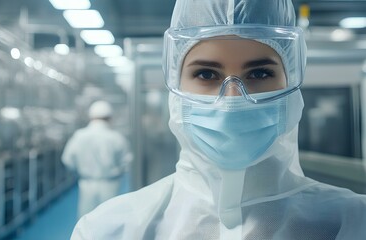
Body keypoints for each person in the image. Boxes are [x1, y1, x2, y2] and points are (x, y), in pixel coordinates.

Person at [70, 0, 366, 239]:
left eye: (260, 73)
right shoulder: (108, 229)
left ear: (290, 83)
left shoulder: (352, 222)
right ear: (176, 84)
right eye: (207, 74)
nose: (233, 99)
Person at [61, 100, 132, 219]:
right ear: (109, 118)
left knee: (87, 222)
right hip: (110, 184)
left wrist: (78, 169)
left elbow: (67, 159)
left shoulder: (79, 136)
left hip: (87, 184)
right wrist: (117, 171)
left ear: (91, 116)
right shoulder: (116, 137)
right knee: (109, 220)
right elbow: (127, 162)